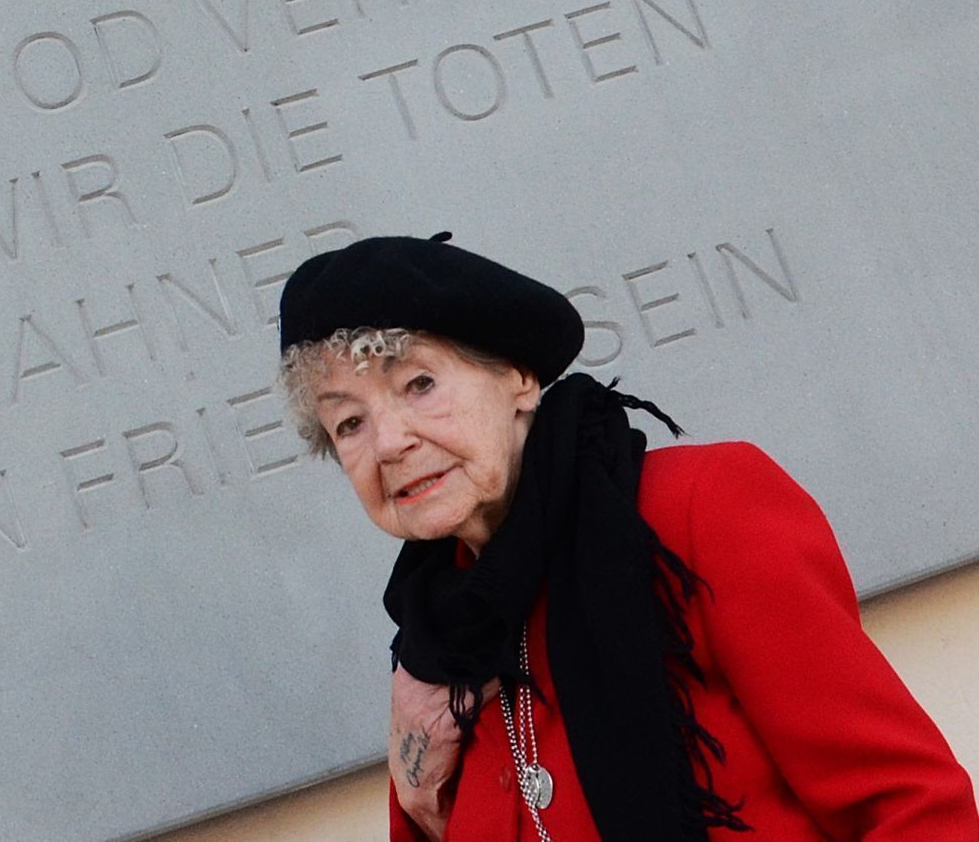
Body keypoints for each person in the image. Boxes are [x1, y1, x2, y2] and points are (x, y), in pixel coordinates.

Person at [274, 231, 979, 841]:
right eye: (348, 423)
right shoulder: (434, 646)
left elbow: (916, 806)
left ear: (518, 376)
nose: (389, 442)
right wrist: (410, 763)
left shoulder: (700, 509)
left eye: (419, 383)